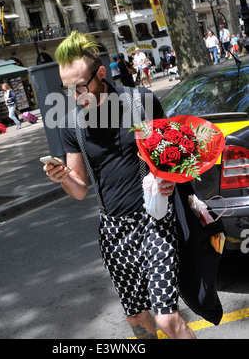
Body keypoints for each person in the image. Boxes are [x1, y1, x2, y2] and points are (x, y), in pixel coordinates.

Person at [43, 31, 195, 339]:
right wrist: (62, 178)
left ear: (101, 74)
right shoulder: (71, 124)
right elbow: (80, 189)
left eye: (80, 86)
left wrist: (168, 180)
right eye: (68, 88)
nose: (75, 96)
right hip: (113, 232)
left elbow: (173, 155)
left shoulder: (140, 103)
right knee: (139, 321)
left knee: (167, 318)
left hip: (155, 221)